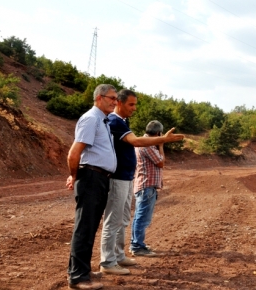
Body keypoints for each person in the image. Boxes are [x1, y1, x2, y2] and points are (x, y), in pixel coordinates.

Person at [99, 89, 184, 275]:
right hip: (118, 177)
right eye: (131, 104)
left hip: (127, 177)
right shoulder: (114, 121)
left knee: (122, 219)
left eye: (135, 104)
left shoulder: (123, 121)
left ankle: (119, 256)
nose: (134, 108)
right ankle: (107, 262)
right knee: (113, 221)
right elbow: (136, 142)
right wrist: (164, 140)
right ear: (119, 103)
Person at [66, 84, 118, 290]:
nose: (115, 102)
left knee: (90, 227)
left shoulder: (102, 121)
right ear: (99, 98)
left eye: (115, 98)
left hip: (99, 178)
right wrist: (74, 175)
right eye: (111, 98)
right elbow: (74, 153)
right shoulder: (91, 119)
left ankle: (83, 270)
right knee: (84, 227)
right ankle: (77, 278)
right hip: (91, 177)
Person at [129, 120, 167, 256]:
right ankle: (137, 246)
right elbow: (161, 162)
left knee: (140, 216)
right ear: (158, 133)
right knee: (142, 217)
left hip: (143, 185)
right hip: (147, 185)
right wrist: (161, 146)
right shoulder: (148, 146)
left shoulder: (142, 144)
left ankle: (136, 243)